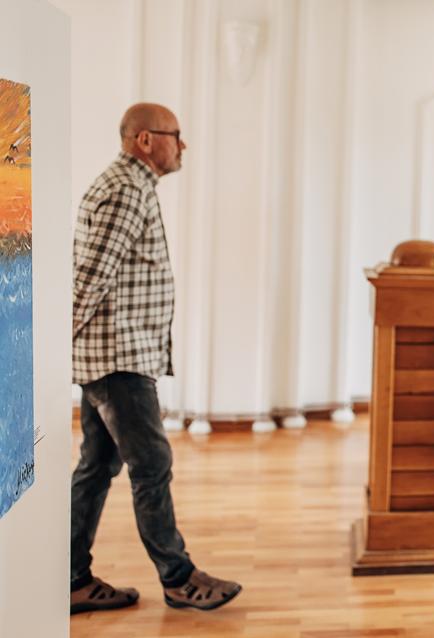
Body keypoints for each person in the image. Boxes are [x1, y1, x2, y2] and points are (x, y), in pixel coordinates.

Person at [70, 103, 242, 614]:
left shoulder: (132, 185)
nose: (182, 145)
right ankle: (178, 577)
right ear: (145, 140)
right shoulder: (126, 189)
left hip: (112, 351)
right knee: (151, 464)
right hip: (116, 356)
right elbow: (90, 277)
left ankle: (70, 577)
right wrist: (59, 342)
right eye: (175, 135)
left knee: (97, 465)